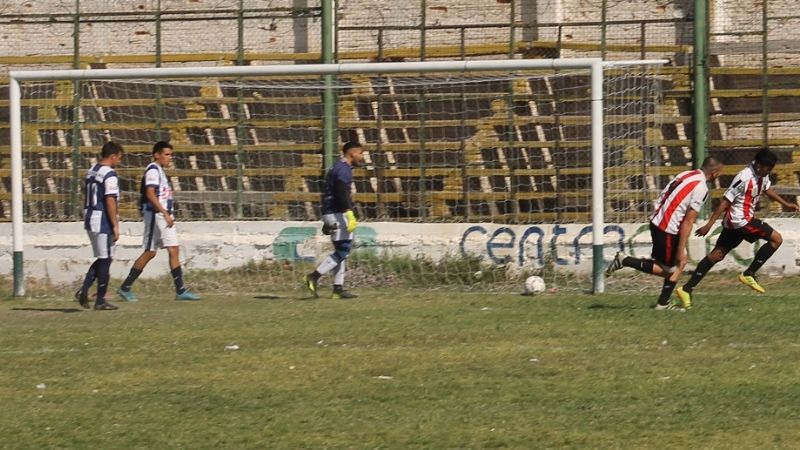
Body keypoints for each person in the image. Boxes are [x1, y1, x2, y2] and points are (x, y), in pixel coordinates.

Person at [676, 148, 799, 305]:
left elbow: (767, 189)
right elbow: (725, 201)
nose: (768, 172)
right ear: (760, 166)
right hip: (741, 221)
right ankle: (749, 273)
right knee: (777, 239)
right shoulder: (744, 177)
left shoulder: (762, 173)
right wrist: (709, 224)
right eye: (767, 169)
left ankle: (686, 289)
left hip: (735, 223)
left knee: (716, 255)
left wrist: (785, 203)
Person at [605, 156, 724, 310]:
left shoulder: (686, 174)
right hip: (668, 228)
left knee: (677, 264)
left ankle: (663, 301)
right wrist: (680, 249)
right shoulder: (701, 188)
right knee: (673, 268)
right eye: (719, 172)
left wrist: (660, 214)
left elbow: (665, 192)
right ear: (714, 172)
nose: (719, 175)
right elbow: (688, 222)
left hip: (658, 220)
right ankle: (626, 262)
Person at [117, 141, 201, 301]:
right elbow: (150, 193)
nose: (170, 158)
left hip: (162, 215)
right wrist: (164, 213)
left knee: (158, 251)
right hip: (157, 215)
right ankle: (179, 290)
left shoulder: (160, 171)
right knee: (164, 250)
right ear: (157, 154)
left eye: (171, 155)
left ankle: (127, 287)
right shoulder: (153, 170)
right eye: (167, 154)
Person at [303, 141, 365, 299]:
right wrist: (349, 213)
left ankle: (338, 289)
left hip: (332, 213)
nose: (362, 157)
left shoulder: (338, 167)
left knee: (340, 252)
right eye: (361, 153)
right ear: (352, 153)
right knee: (343, 251)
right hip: (338, 213)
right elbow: (340, 192)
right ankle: (314, 277)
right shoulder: (343, 170)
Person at [76, 141, 125, 310]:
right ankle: (100, 300)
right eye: (119, 158)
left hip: (89, 217)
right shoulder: (109, 174)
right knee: (105, 259)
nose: (119, 161)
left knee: (104, 257)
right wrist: (115, 225)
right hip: (101, 219)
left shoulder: (92, 170)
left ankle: (84, 290)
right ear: (112, 156)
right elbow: (110, 200)